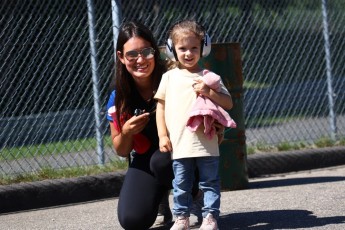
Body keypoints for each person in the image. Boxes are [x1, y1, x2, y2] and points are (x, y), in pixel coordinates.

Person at [106, 21, 207, 230]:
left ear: (155, 51)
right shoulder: (119, 95)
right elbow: (121, 149)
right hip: (146, 158)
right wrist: (127, 132)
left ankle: (197, 194)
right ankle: (161, 195)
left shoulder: (175, 76)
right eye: (132, 54)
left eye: (146, 52)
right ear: (121, 57)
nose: (140, 59)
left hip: (183, 152)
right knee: (132, 221)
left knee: (161, 162)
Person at [154, 19, 234, 230]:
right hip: (180, 144)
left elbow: (228, 102)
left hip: (207, 143)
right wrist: (163, 135)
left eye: (194, 48)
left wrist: (209, 92)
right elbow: (160, 109)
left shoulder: (209, 77)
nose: (188, 53)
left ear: (203, 48)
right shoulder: (169, 78)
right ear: (172, 49)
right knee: (180, 184)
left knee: (210, 183)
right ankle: (182, 218)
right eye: (182, 48)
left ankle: (210, 218)